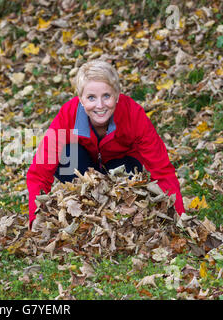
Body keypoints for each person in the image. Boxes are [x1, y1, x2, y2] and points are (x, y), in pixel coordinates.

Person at [26, 59, 185, 228]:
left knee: (127, 175)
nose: (100, 105)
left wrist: (179, 215)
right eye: (91, 97)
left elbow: (162, 170)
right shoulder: (68, 114)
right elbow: (39, 172)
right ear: (81, 99)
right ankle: (86, 207)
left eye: (106, 96)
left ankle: (118, 212)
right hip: (83, 171)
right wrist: (36, 216)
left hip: (123, 169)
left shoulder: (133, 114)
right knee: (67, 154)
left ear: (117, 95)